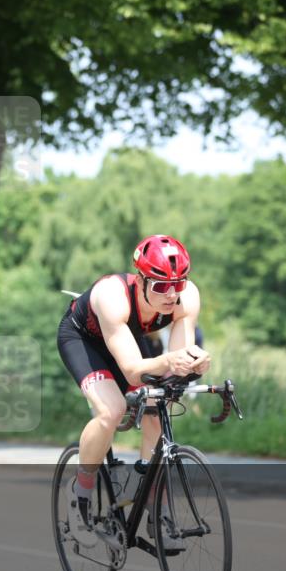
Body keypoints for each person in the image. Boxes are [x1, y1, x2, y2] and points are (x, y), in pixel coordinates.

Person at [57, 235, 211, 551]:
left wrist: (195, 364)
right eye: (160, 286)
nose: (171, 295)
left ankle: (154, 505)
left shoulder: (187, 296)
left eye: (178, 284)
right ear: (140, 280)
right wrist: (169, 360)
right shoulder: (112, 295)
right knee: (111, 410)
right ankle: (80, 495)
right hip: (85, 341)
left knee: (160, 401)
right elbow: (131, 368)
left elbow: (176, 364)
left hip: (126, 337)